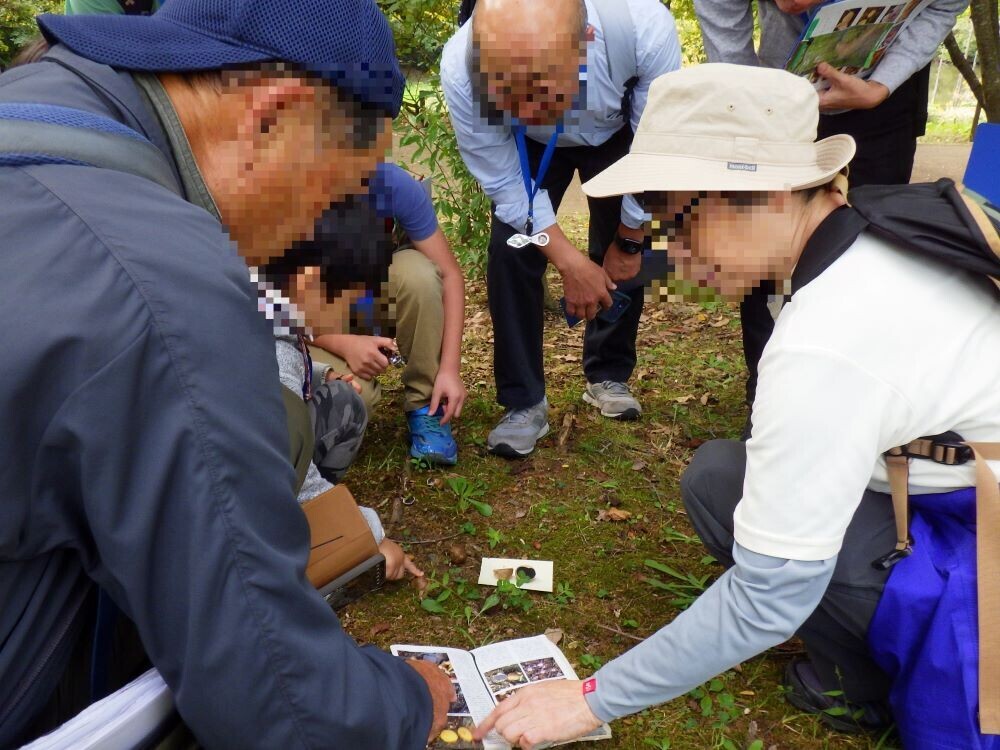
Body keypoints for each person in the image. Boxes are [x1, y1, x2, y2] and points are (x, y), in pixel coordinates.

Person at [474, 64, 1000, 749]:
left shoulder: (825, 341)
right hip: (953, 482)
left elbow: (766, 598)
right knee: (724, 476)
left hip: (978, 545)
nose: (677, 253)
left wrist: (588, 702)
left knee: (768, 539)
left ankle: (866, 688)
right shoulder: (878, 219)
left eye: (679, 220)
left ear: (767, 195)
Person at [0, 0, 455, 747]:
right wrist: (404, 702)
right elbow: (277, 701)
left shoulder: (40, 107)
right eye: (335, 191)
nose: (319, 230)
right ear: (272, 116)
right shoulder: (164, 285)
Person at [694, 0, 968, 421]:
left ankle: (859, 394)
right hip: (777, 95)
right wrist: (756, 101)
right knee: (768, 248)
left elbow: (941, 7)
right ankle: (769, 393)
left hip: (883, 95)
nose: (787, 6)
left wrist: (884, 84)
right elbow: (727, 37)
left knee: (873, 247)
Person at [440, 0, 682, 457]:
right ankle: (523, 401)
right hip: (527, 150)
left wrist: (628, 239)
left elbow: (656, 147)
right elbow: (506, 184)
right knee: (512, 249)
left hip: (619, 133)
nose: (527, 108)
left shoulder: (643, 28)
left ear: (584, 43)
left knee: (627, 247)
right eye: (507, 90)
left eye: (540, 88)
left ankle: (608, 372)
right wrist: (569, 262)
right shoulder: (460, 67)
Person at [311, 162, 468, 466]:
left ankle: (427, 405)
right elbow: (267, 300)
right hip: (308, 323)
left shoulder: (391, 183)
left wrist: (449, 369)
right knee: (354, 399)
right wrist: (344, 344)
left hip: (362, 301)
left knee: (418, 273)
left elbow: (451, 276)